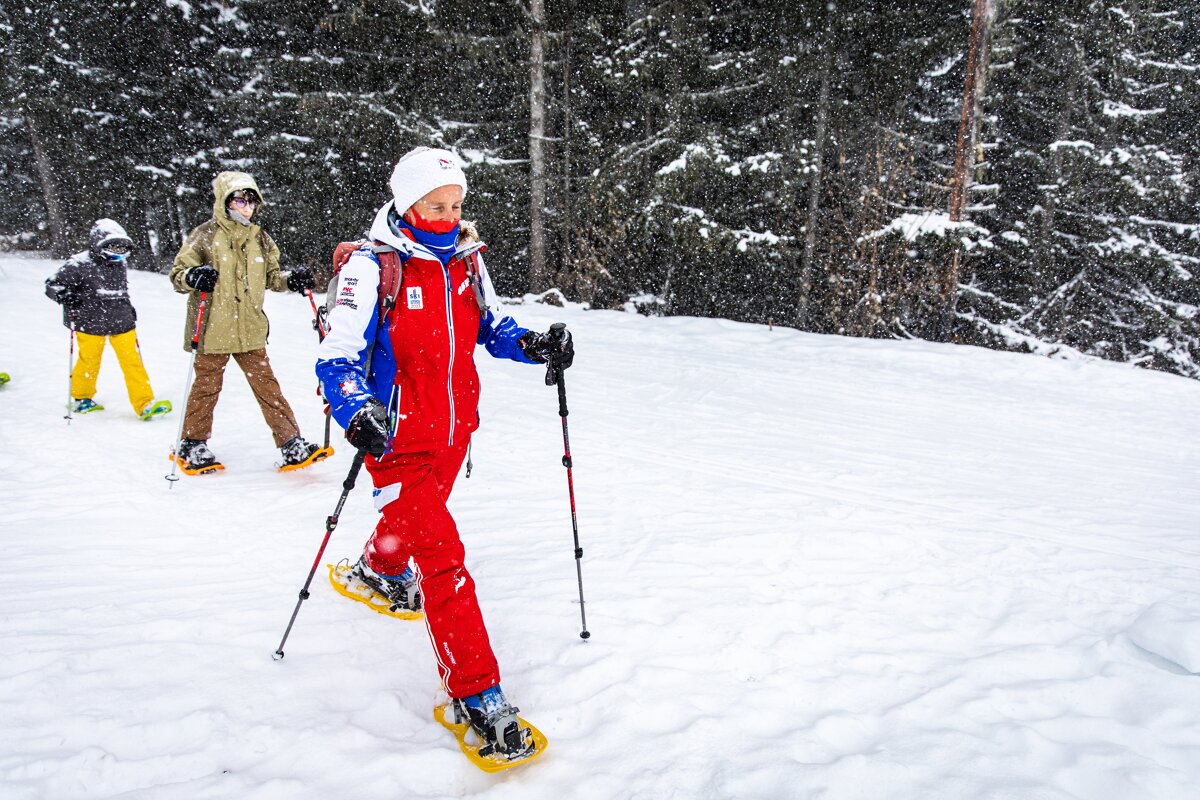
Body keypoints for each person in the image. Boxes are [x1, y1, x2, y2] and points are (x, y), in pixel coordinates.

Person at [315, 147, 573, 759]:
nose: (450, 215)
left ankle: (379, 569)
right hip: (396, 438)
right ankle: (477, 691)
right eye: (436, 205)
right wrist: (357, 410)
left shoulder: (466, 260)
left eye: (457, 204)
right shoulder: (371, 269)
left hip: (455, 432)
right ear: (406, 203)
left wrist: (535, 341)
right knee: (444, 558)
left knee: (413, 528)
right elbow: (336, 353)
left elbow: (492, 326)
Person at [169, 171, 322, 473]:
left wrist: (292, 280)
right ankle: (192, 443)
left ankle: (291, 442)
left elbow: (272, 278)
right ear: (225, 202)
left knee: (268, 386)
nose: (247, 207)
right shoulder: (205, 234)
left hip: (250, 327)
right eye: (240, 200)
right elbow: (178, 275)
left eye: (251, 201)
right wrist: (193, 276)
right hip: (213, 327)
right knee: (207, 387)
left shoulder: (261, 239)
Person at [45, 219, 171, 420]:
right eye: (113, 246)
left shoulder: (119, 264)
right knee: (89, 361)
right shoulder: (79, 263)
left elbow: (121, 292)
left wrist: (129, 311)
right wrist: (65, 296)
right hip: (89, 322)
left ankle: (145, 403)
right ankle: (81, 397)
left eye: (122, 248)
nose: (118, 252)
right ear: (99, 244)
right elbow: (53, 285)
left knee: (132, 362)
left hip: (122, 322)